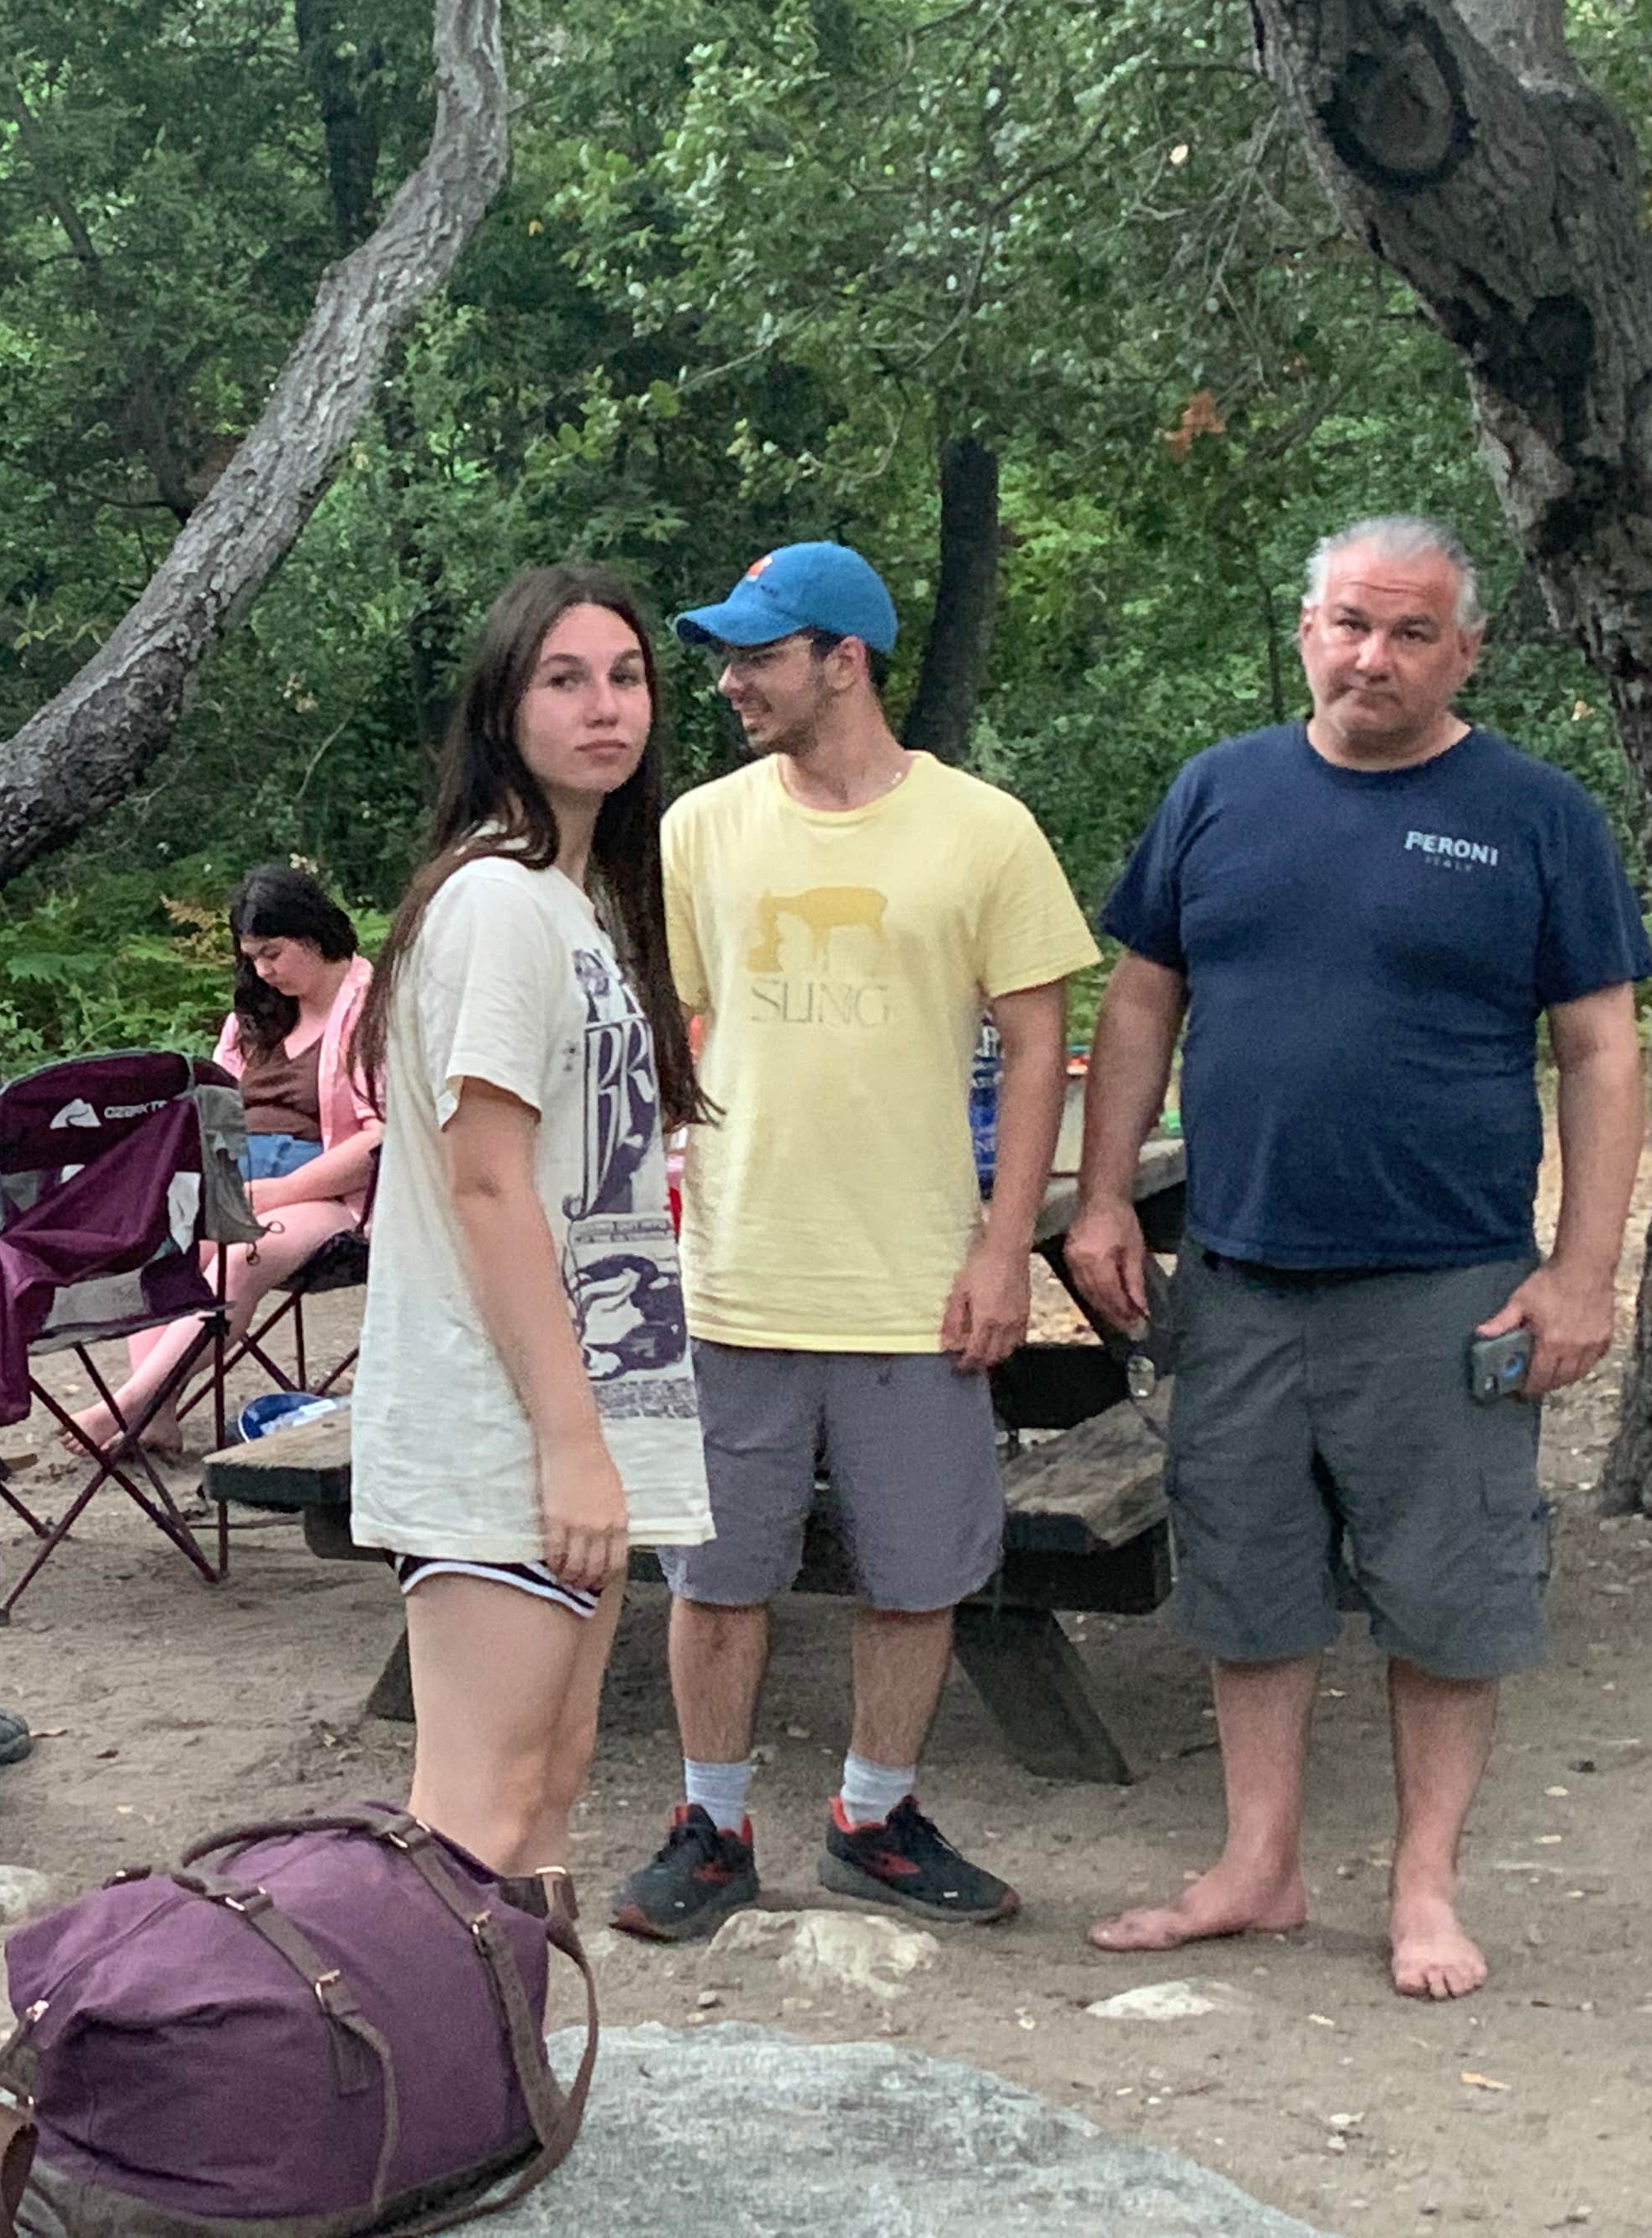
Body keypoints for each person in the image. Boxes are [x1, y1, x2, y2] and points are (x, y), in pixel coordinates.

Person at [1068, 514, 1651, 2003]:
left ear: (1465, 652)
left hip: (1447, 1280)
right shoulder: (1219, 791)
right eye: (1347, 623)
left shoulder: (1535, 814)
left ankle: (1423, 1884)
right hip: (1239, 1270)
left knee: (1449, 1593)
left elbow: (1598, 1047)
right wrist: (1101, 1199)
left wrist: (1583, 1270)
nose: (1371, 656)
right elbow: (1139, 999)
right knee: (1246, 1577)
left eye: (1408, 632)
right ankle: (1254, 1864)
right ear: (1305, 630)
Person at [610, 540, 1097, 1943]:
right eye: (724, 655)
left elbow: (1038, 1038)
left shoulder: (982, 830)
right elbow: (656, 1027)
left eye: (758, 655)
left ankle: (873, 1817)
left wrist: (1005, 1246)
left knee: (918, 1571)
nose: (728, 680)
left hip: (915, 1278)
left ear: (845, 660)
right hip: (737, 1269)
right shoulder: (699, 827)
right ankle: (710, 1826)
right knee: (716, 1575)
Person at [347, 564, 714, 1898]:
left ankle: (526, 2036)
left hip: (584, 1411)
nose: (604, 707)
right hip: (501, 1430)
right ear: (503, 709)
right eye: (565, 680)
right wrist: (570, 1443)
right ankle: (404, 2039)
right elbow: (487, 1184)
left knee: (550, 1791)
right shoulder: (495, 901)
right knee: (476, 1818)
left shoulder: (582, 900)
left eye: (626, 677)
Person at [66, 864, 379, 1454]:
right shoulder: (254, 1017)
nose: (262, 971)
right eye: (251, 958)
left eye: (273, 954)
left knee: (240, 1257)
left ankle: (133, 1402)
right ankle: (158, 1417)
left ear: (313, 937)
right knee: (164, 1246)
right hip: (240, 1176)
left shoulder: (374, 1010)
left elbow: (382, 1140)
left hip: (332, 1190)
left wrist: (282, 1191)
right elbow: (211, 1112)